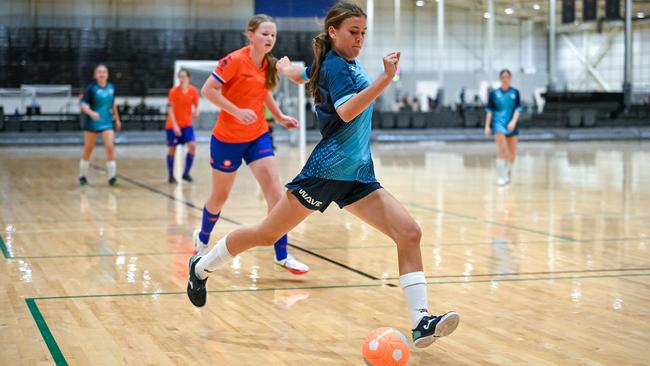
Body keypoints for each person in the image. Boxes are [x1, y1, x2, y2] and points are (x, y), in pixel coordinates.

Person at [186, 2, 459, 348]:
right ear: (333, 31)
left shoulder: (337, 61)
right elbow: (346, 111)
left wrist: (290, 74)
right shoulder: (336, 65)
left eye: (363, 33)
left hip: (357, 173)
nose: (359, 39)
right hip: (327, 171)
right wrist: (385, 79)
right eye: (353, 32)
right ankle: (201, 267)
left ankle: (421, 321)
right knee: (266, 233)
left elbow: (310, 74)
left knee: (409, 232)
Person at [192, 14, 309, 275]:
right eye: (265, 34)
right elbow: (208, 91)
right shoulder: (233, 60)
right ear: (251, 35)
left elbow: (263, 92)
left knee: (276, 194)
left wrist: (279, 117)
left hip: (257, 137)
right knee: (219, 197)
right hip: (227, 139)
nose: (269, 39)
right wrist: (236, 111)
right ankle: (201, 239)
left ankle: (282, 255)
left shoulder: (269, 64)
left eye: (273, 35)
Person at [79, 64, 121, 186]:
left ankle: (112, 178)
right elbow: (83, 105)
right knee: (88, 148)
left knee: (110, 147)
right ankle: (82, 176)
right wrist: (91, 113)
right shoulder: (91, 88)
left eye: (104, 72)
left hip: (107, 122)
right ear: (95, 75)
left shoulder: (111, 87)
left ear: (107, 74)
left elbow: (113, 104)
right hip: (92, 122)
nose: (102, 74)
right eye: (99, 72)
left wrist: (117, 119)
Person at [484, 69, 523, 186]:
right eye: (503, 77)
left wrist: (513, 122)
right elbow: (489, 111)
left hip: (511, 124)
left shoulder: (515, 92)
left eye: (507, 77)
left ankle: (507, 172)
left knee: (512, 155)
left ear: (510, 78)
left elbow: (518, 109)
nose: (505, 79)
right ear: (500, 79)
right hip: (498, 124)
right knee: (502, 150)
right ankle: (501, 177)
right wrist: (487, 126)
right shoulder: (494, 94)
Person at [165, 69, 200, 184]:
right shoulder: (173, 92)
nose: (181, 79)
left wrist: (196, 111)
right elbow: (170, 110)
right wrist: (175, 126)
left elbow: (196, 104)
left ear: (188, 78)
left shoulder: (193, 91)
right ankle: (171, 175)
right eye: (180, 77)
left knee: (192, 147)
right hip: (173, 125)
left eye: (184, 76)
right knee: (172, 149)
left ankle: (186, 173)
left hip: (187, 125)